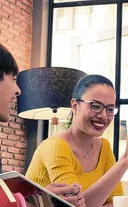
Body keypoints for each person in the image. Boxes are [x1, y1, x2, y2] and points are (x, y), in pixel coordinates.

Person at [26, 74, 128, 206]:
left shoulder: (104, 147)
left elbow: (114, 203)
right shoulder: (55, 146)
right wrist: (126, 160)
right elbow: (74, 205)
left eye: (109, 109)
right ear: (75, 106)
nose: (103, 116)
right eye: (95, 106)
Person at [0, 44, 86, 206]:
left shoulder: (105, 147)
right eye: (13, 79)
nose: (18, 90)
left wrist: (42, 198)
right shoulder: (55, 145)